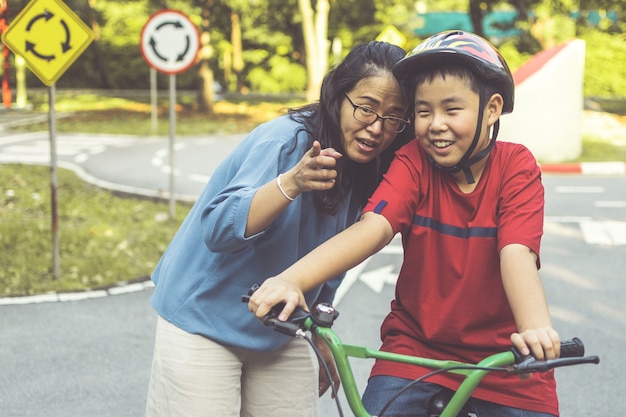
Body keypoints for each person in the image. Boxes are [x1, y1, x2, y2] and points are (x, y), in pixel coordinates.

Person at [249, 30, 562, 417]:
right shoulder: (414, 161)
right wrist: (291, 280)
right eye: (423, 111)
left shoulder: (516, 167)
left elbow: (516, 252)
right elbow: (373, 227)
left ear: (492, 108)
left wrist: (535, 328)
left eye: (452, 109)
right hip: (414, 353)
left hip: (507, 359)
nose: (435, 124)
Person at [144, 40, 412, 417]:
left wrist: (319, 335)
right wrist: (292, 183)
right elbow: (219, 227)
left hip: (281, 327)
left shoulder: (371, 166)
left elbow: (334, 259)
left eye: (394, 117)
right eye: (366, 108)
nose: (376, 127)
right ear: (338, 96)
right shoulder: (287, 140)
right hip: (203, 319)